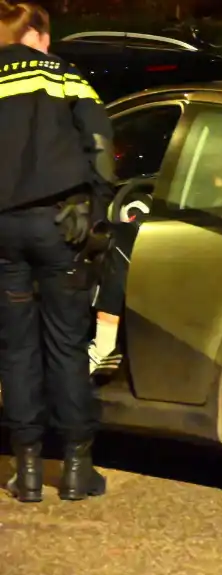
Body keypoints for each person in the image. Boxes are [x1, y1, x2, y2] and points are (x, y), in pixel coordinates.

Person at [0, 1, 115, 503]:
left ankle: (25, 470)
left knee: (16, 349)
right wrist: (95, 207)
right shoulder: (67, 76)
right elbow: (100, 143)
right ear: (38, 34)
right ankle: (75, 469)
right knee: (67, 346)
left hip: (4, 229)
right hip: (59, 227)